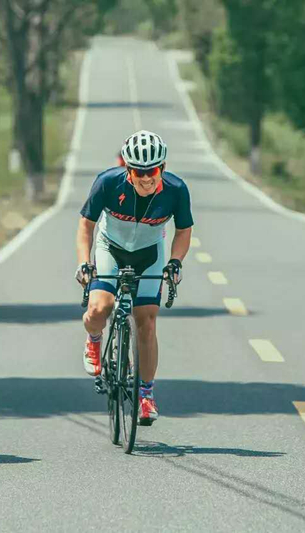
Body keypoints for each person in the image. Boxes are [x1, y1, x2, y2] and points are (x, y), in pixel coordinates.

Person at [75, 130, 193, 426]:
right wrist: (84, 263)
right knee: (99, 308)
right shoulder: (107, 183)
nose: (146, 178)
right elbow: (86, 225)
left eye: (152, 171)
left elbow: (183, 230)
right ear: (128, 169)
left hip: (149, 254)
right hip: (110, 249)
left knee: (146, 322)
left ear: (162, 168)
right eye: (139, 172)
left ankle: (146, 394)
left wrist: (175, 262)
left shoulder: (176, 190)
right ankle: (94, 339)